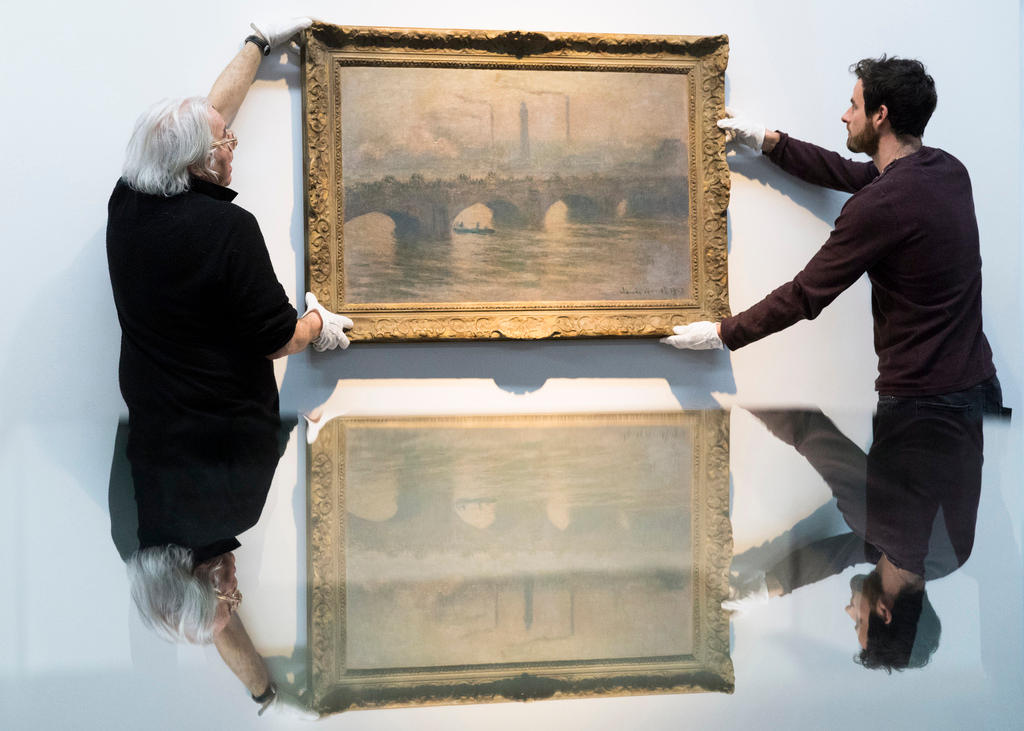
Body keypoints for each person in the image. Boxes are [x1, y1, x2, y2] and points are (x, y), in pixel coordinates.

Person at [107, 18, 349, 719]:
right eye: (225, 144)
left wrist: (254, 46)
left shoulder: (129, 204)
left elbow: (207, 609)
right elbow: (280, 339)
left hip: (178, 430)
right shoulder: (145, 532)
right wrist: (319, 323)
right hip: (205, 437)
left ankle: (262, 697)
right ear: (196, 162)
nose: (232, 145)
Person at [664, 56, 1004, 406]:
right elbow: (845, 172)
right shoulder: (948, 170)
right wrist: (768, 140)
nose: (845, 115)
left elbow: (805, 294)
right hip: (981, 387)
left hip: (926, 410)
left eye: (854, 106)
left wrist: (722, 333)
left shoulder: (881, 204)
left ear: (880, 115)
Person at [726, 399, 987, 671]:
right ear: (884, 612)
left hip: (971, 380)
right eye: (859, 622)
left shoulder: (948, 558)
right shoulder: (881, 526)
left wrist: (763, 590)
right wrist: (737, 393)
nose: (849, 611)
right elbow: (805, 427)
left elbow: (837, 556)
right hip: (920, 363)